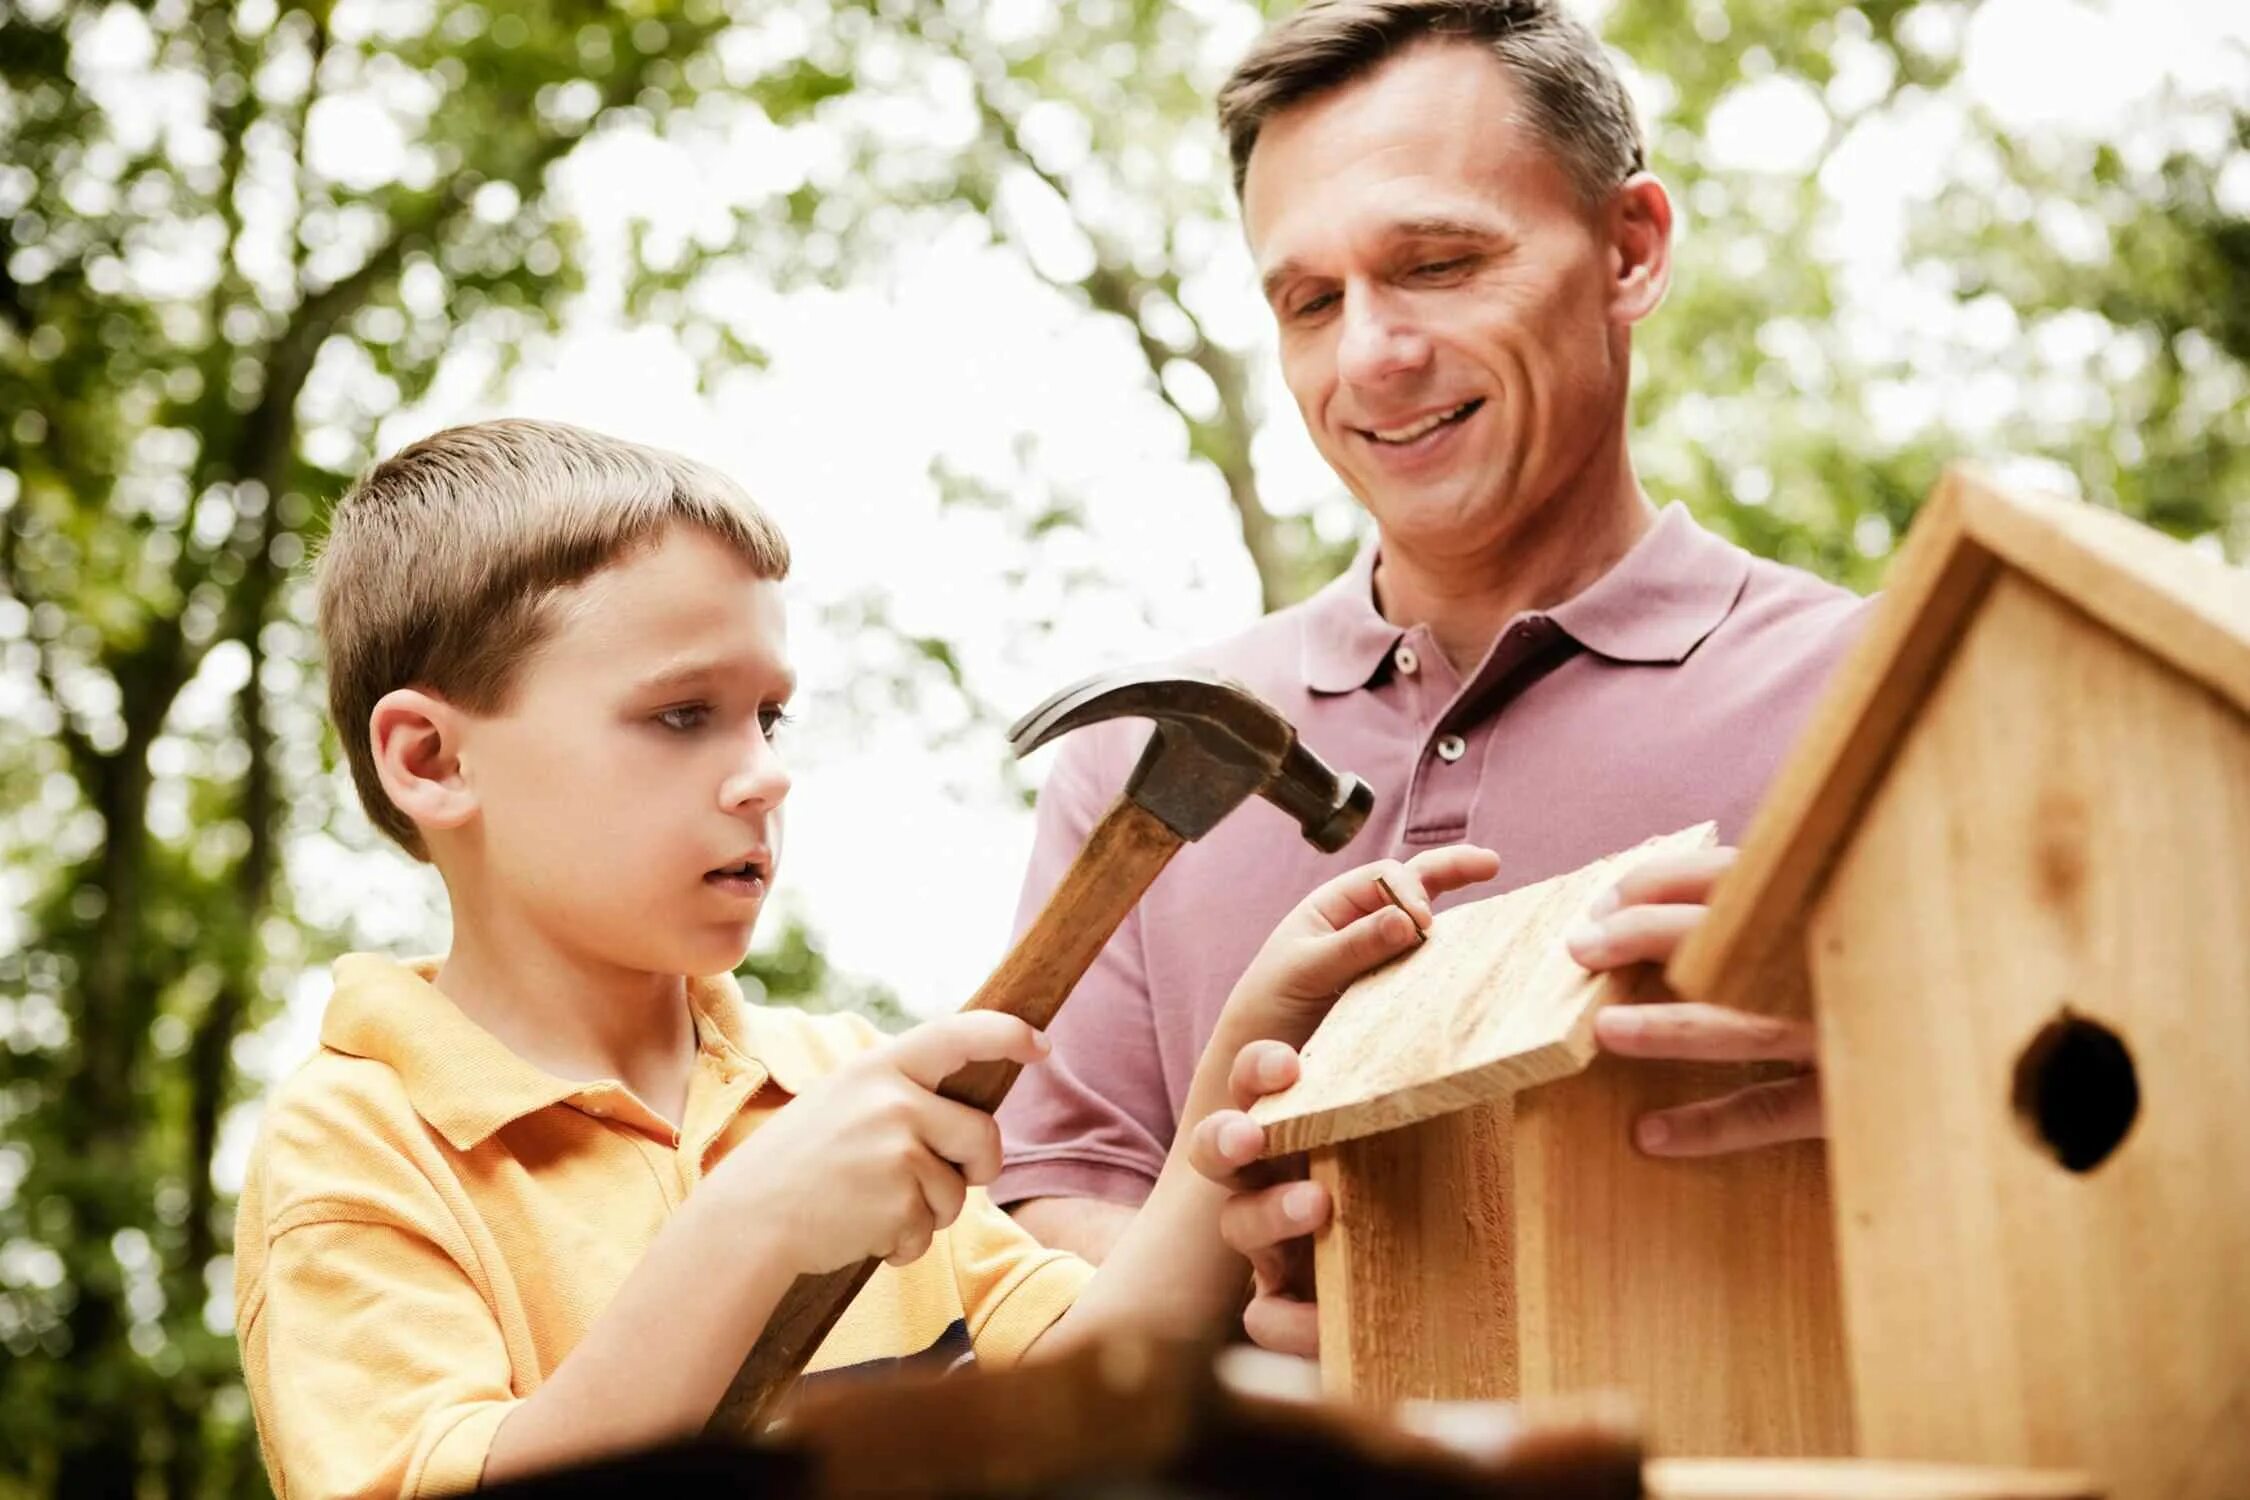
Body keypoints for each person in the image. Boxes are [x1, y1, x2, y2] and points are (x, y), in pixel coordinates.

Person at [233, 417, 1499, 1497]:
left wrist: (1241, 1061)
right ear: (431, 759)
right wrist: (752, 1226)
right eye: (683, 715)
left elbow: (1073, 1391)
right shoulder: (357, 1151)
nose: (767, 772)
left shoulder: (832, 1082)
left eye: (769, 715)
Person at [994, 0, 1874, 1326]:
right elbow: (1050, 1206)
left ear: (1629, 250)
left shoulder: (1872, 698)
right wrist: (1230, 1307)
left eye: (1438, 265)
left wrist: (1889, 1036)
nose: (1370, 357)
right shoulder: (1134, 772)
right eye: (1307, 299)